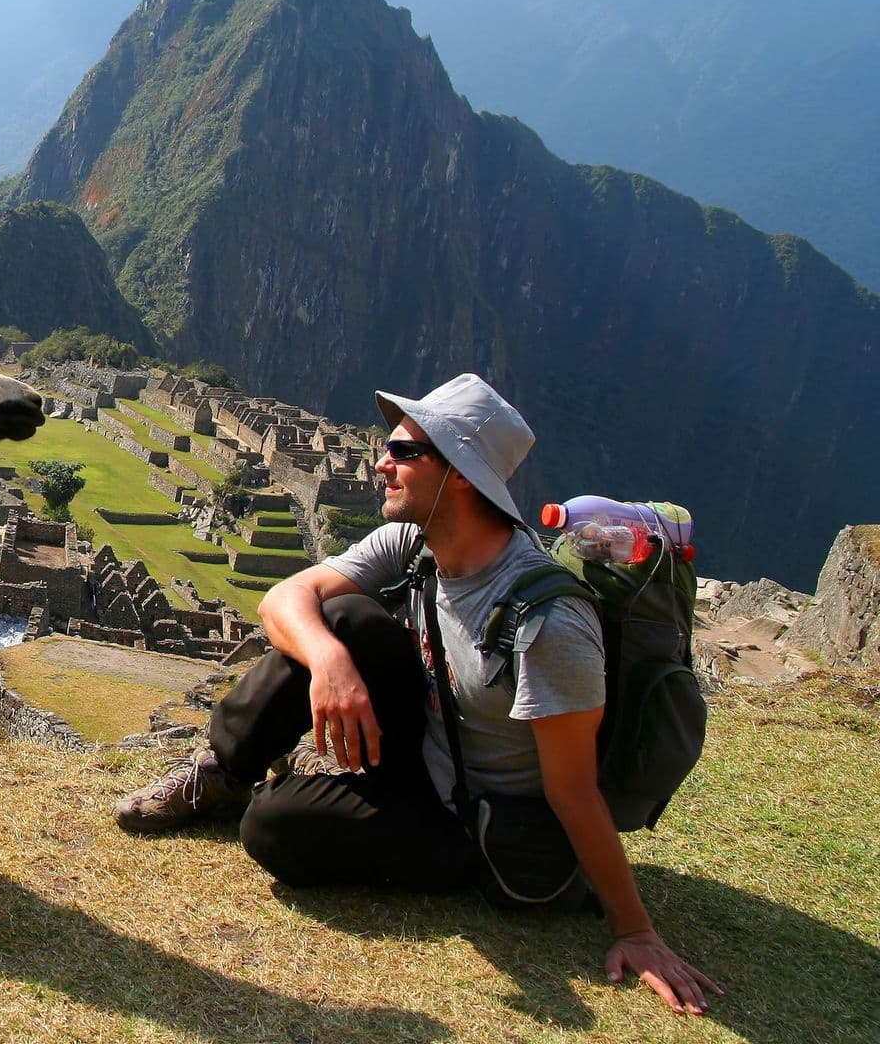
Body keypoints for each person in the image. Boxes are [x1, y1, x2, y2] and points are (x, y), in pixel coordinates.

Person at [112, 373, 721, 1017]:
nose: (381, 463)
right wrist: (330, 665)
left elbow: (573, 792)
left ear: (458, 473)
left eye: (403, 453)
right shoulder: (416, 539)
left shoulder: (547, 624)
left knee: (275, 829)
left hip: (479, 820)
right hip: (426, 747)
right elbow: (283, 599)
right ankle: (222, 775)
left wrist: (636, 930)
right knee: (340, 622)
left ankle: (290, 802)